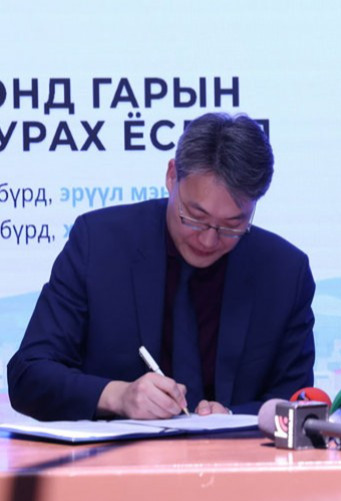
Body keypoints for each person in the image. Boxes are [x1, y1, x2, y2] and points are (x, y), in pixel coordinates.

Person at [8, 113, 315, 421]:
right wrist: (118, 396)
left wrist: (232, 415)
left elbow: (299, 402)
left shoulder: (285, 273)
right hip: (116, 452)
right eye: (195, 217)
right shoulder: (99, 244)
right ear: (171, 177)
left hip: (234, 452)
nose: (208, 240)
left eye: (232, 225)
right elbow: (28, 375)